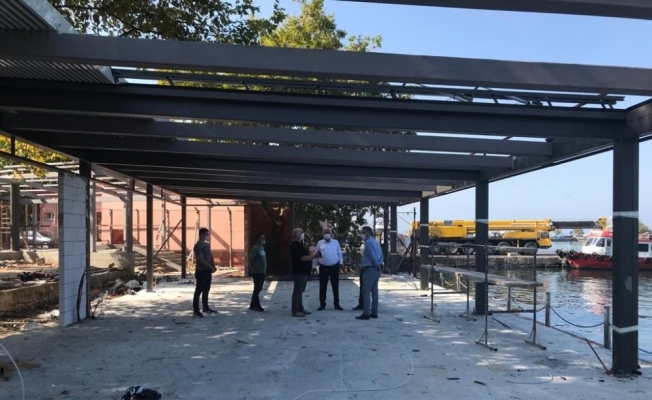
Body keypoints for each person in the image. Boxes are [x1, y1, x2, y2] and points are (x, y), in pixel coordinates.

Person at [313, 227, 344, 311]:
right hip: (323, 267)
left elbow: (339, 253)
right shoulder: (320, 243)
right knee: (323, 286)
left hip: (334, 266)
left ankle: (336, 304)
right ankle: (322, 304)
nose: (326, 234)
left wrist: (341, 262)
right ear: (323, 234)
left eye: (328, 232)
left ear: (331, 234)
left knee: (335, 286)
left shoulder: (335, 242)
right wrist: (314, 266)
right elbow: (316, 255)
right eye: (325, 233)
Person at [356, 226, 383, 320]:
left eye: (363, 232)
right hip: (376, 269)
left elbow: (372, 256)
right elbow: (381, 255)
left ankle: (366, 313)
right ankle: (374, 311)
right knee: (374, 291)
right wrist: (380, 265)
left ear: (368, 232)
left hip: (370, 268)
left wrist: (376, 265)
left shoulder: (368, 243)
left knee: (366, 291)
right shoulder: (376, 242)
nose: (362, 234)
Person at [290, 228, 319, 317]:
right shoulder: (295, 245)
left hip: (303, 271)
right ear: (296, 235)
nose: (302, 234)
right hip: (299, 271)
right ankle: (295, 310)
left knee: (300, 291)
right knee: (297, 291)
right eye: (300, 233)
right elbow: (303, 258)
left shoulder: (300, 245)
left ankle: (300, 308)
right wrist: (314, 256)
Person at [192, 227, 217, 318]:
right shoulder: (197, 246)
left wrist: (213, 265)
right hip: (201, 270)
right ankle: (196, 310)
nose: (207, 236)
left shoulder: (207, 245)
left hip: (207, 270)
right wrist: (210, 266)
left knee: (206, 289)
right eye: (206, 234)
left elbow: (210, 255)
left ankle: (205, 307)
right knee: (199, 290)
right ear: (201, 235)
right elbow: (200, 259)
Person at [248, 233, 267, 312]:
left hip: (262, 271)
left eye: (264, 238)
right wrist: (254, 266)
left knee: (259, 288)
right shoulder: (255, 248)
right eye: (262, 238)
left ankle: (252, 304)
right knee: (257, 288)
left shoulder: (262, 247)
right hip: (257, 271)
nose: (263, 240)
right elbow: (250, 259)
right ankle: (257, 305)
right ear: (257, 239)